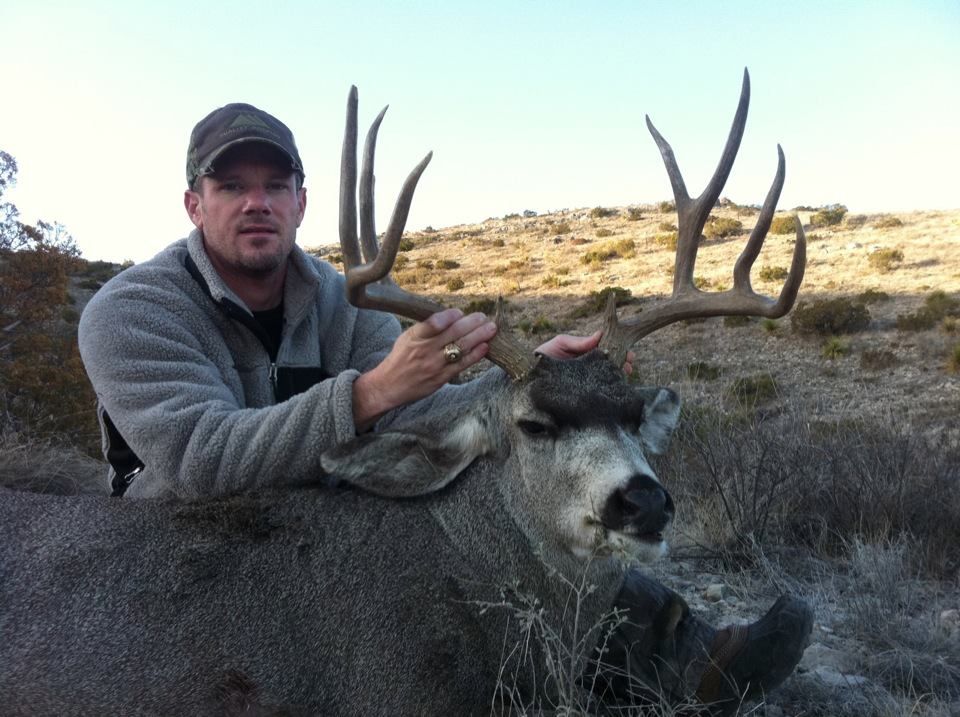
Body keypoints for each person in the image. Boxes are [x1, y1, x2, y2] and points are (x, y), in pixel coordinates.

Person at [77, 102, 810, 714]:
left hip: (315, 516)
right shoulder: (132, 311)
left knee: (513, 494)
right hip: (179, 543)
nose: (256, 201)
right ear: (193, 203)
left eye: (276, 184)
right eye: (231, 184)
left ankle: (684, 654)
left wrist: (531, 385)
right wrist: (370, 393)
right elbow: (201, 459)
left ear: (300, 201)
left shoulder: (333, 299)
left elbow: (431, 419)